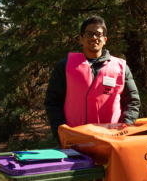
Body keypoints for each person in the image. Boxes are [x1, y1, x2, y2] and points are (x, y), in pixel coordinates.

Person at [45, 15, 140, 145]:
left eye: (98, 34)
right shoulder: (65, 66)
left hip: (112, 141)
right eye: (89, 34)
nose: (94, 37)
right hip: (75, 140)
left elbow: (132, 101)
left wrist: (123, 130)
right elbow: (53, 102)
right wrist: (61, 134)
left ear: (105, 39)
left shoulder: (121, 68)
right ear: (81, 38)